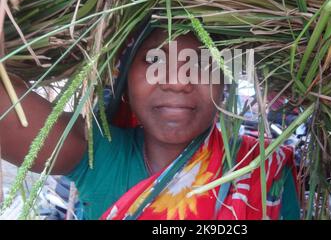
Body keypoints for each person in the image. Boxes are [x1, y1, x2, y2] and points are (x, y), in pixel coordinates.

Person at [0, 19, 300, 220]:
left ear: (224, 84)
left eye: (200, 64)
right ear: (126, 79)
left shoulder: (262, 169)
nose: (177, 82)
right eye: (155, 60)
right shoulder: (100, 155)